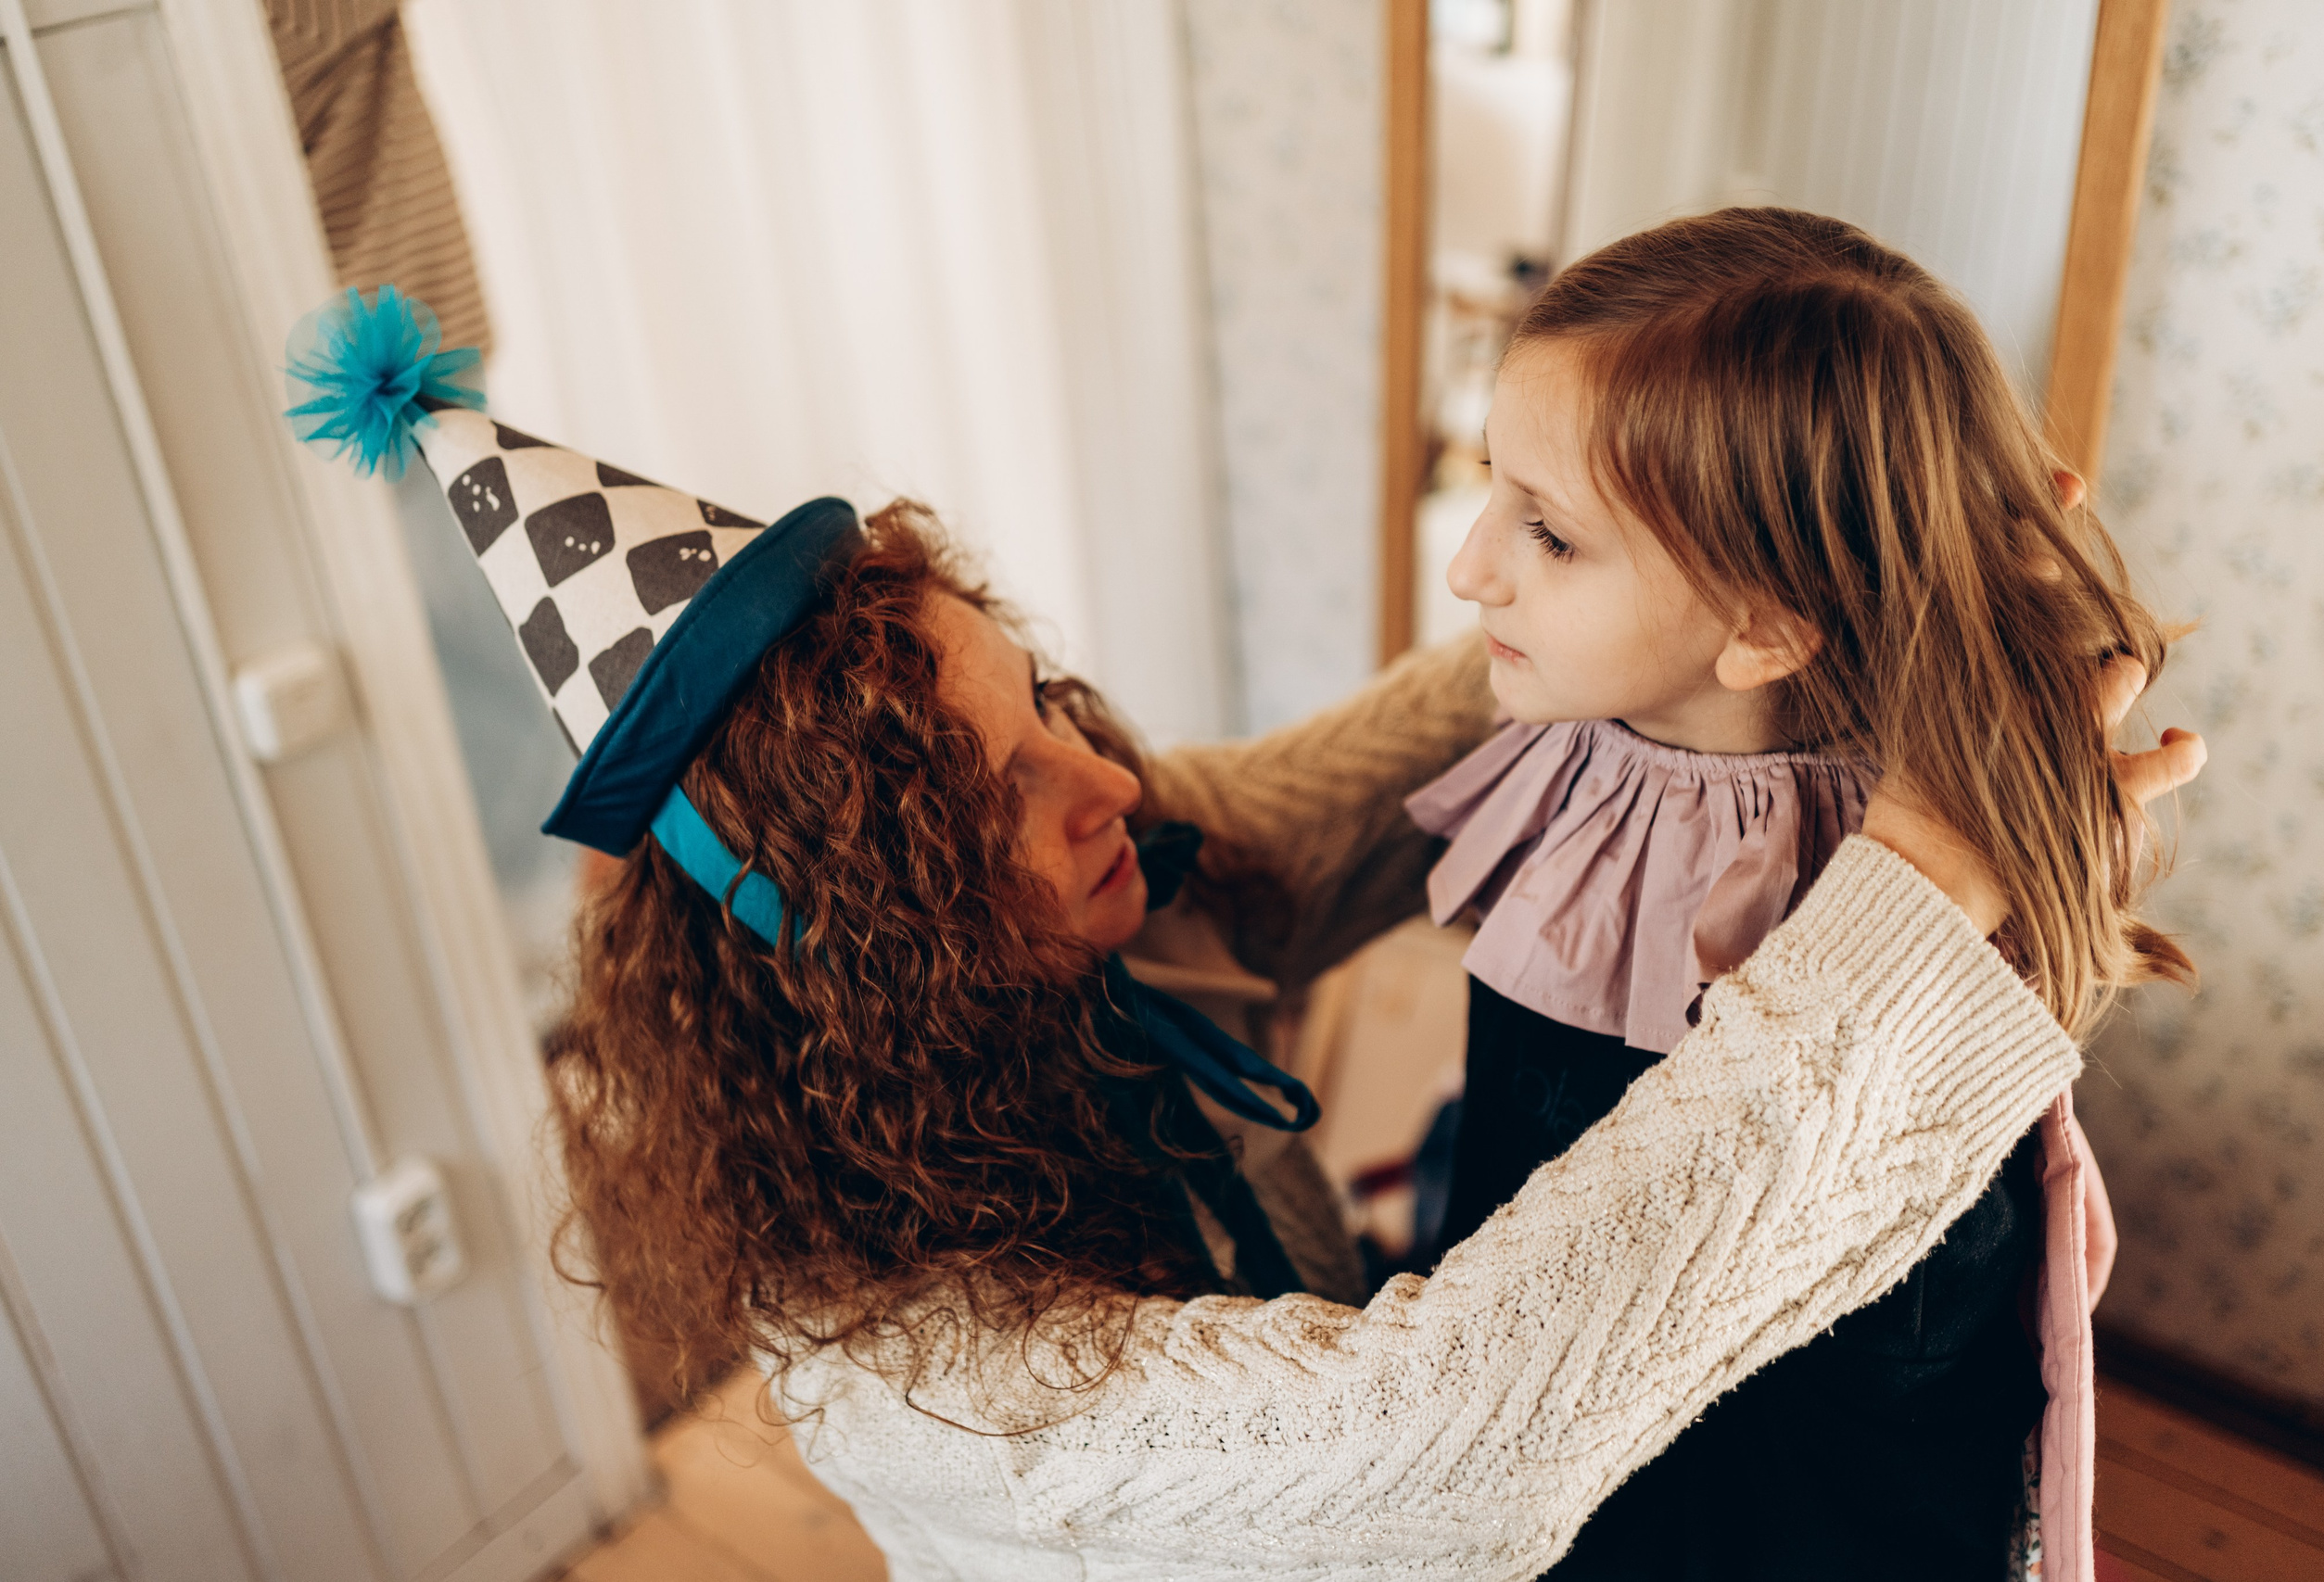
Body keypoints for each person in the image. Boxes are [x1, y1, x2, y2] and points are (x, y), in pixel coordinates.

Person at [282, 285, 2201, 1582]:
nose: (1104, 783)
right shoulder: (916, 1363)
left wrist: (1685, 548)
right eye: (995, 800)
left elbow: (1335, 787)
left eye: (1037, 698)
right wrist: (1916, 889)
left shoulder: (1103, 906)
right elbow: (1447, 1438)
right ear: (863, 934)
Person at [1399, 208, 2177, 1580]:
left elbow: (1899, 1312)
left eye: (1551, 536)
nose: (1470, 569)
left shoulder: (1884, 889)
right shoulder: (1585, 722)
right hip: (1524, 1414)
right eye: (1490, 485)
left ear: (1764, 624)